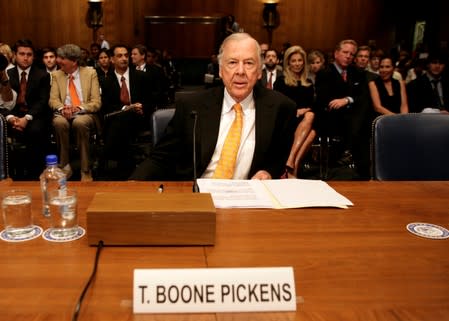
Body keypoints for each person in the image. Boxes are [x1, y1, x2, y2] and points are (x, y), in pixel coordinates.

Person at [130, 32, 297, 181]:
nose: (240, 71)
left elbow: (278, 158)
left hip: (246, 202)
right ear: (220, 70)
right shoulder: (191, 105)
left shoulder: (281, 108)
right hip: (197, 196)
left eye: (249, 63)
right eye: (232, 62)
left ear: (259, 71)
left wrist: (268, 172)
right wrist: (130, 186)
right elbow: (160, 158)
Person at [315, 39, 371, 179]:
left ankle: (364, 176)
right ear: (336, 53)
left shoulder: (358, 73)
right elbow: (325, 100)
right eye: (345, 52)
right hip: (332, 117)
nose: (348, 56)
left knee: (363, 116)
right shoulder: (324, 73)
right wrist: (348, 100)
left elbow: (363, 96)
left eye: (352, 54)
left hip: (354, 118)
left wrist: (346, 100)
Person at [48, 44, 101, 182]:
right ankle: (64, 165)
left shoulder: (90, 73)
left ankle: (85, 169)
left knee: (79, 122)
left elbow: (96, 102)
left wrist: (79, 108)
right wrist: (62, 109)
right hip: (63, 114)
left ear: (74, 61)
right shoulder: (56, 75)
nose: (58, 61)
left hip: (84, 114)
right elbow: (53, 100)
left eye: (62, 58)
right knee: (58, 122)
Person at [100, 44, 152, 179]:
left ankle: (107, 157)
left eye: (126, 55)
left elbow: (153, 99)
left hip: (139, 118)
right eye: (119, 56)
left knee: (123, 120)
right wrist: (125, 109)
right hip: (116, 119)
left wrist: (143, 106)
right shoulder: (105, 81)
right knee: (122, 118)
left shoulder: (141, 76)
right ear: (112, 59)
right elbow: (106, 106)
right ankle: (126, 164)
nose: (124, 58)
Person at [6, 39, 51, 179]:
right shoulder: (6, 74)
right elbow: (2, 102)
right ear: (15, 55)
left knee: (36, 131)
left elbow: (42, 101)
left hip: (34, 115)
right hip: (12, 115)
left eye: (29, 54)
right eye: (22, 54)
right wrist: (11, 118)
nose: (25, 57)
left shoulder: (42, 74)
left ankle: (34, 174)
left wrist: (26, 118)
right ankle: (10, 173)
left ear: (34, 56)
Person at [273, 45, 315, 178]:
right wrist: (295, 111)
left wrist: (304, 110)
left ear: (304, 62)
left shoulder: (308, 83)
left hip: (304, 120)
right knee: (312, 131)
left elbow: (311, 105)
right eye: (294, 61)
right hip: (287, 118)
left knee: (310, 118)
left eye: (300, 60)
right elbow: (278, 104)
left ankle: (291, 165)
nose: (297, 64)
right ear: (288, 63)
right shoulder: (281, 81)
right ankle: (293, 166)